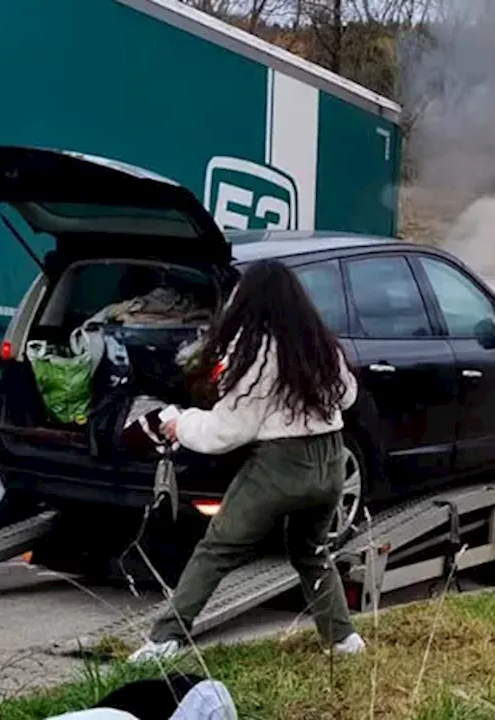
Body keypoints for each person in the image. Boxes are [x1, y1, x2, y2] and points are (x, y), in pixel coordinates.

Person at [128, 259, 366, 663]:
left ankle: (163, 641)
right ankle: (343, 640)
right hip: (330, 462)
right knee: (311, 553)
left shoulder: (254, 352)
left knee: (216, 550)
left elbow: (227, 432)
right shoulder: (318, 343)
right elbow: (347, 397)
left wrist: (178, 422)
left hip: (279, 467)